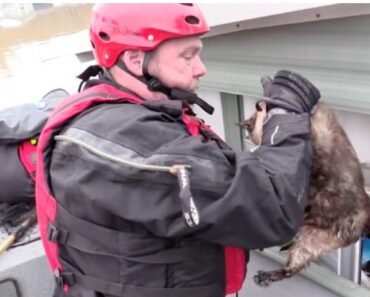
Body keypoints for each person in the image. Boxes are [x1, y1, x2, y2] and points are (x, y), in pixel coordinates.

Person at [35, 3, 320, 297]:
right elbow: (272, 210)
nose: (201, 69)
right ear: (135, 60)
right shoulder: (131, 141)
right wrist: (286, 118)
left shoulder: (120, 110)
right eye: (188, 56)